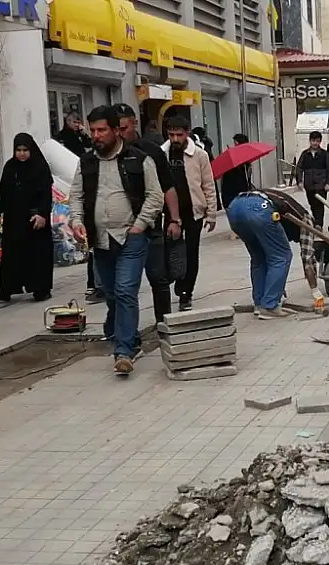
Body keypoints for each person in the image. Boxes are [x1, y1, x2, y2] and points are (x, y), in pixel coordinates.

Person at [68, 106, 171, 376]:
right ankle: (129, 338)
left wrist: (140, 225)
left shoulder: (138, 159)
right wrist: (77, 221)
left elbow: (155, 195)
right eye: (92, 131)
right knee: (113, 294)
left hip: (132, 237)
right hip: (100, 241)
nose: (96, 135)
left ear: (116, 130)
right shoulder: (86, 163)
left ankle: (123, 351)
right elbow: (76, 197)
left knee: (126, 291)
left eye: (102, 130)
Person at [112, 103, 183, 323]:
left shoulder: (151, 152)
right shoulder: (107, 154)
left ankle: (164, 324)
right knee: (122, 284)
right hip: (118, 230)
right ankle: (123, 331)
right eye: (116, 129)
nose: (120, 134)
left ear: (134, 124)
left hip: (151, 227)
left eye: (124, 128)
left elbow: (168, 188)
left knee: (158, 278)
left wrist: (174, 219)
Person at [226, 188, 321, 319]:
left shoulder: (285, 207)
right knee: (282, 256)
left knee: (259, 257)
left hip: (235, 207)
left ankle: (259, 304)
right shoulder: (306, 220)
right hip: (259, 208)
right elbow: (307, 256)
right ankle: (269, 305)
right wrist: (315, 291)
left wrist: (276, 283)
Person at [0, 133, 55, 302]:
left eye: (25, 150)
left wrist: (42, 214)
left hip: (35, 219)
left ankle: (41, 289)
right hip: (14, 218)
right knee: (11, 254)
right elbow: (3, 192)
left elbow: (46, 194)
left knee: (37, 254)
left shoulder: (40, 167)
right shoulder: (10, 167)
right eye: (18, 150)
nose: (22, 153)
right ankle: (6, 289)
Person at [160, 116, 218, 311]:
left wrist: (211, 213)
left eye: (179, 134)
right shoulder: (162, 154)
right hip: (168, 214)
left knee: (191, 253)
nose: (175, 138)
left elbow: (208, 184)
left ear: (187, 133)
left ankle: (186, 292)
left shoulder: (199, 155)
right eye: (171, 134)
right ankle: (175, 282)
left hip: (194, 212)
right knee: (172, 252)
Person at [295, 131, 329, 229]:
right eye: (313, 141)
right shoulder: (305, 154)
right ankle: (316, 222)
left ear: (320, 142)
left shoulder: (324, 154)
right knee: (312, 204)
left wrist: (328, 183)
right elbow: (299, 167)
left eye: (317, 141)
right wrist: (299, 181)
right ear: (310, 141)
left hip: (321, 184)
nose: (315, 143)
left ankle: (319, 224)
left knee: (320, 205)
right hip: (309, 185)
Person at [220, 133, 254, 209]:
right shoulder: (246, 156)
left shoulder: (238, 159)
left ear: (237, 143)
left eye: (235, 143)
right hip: (242, 193)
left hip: (236, 194)